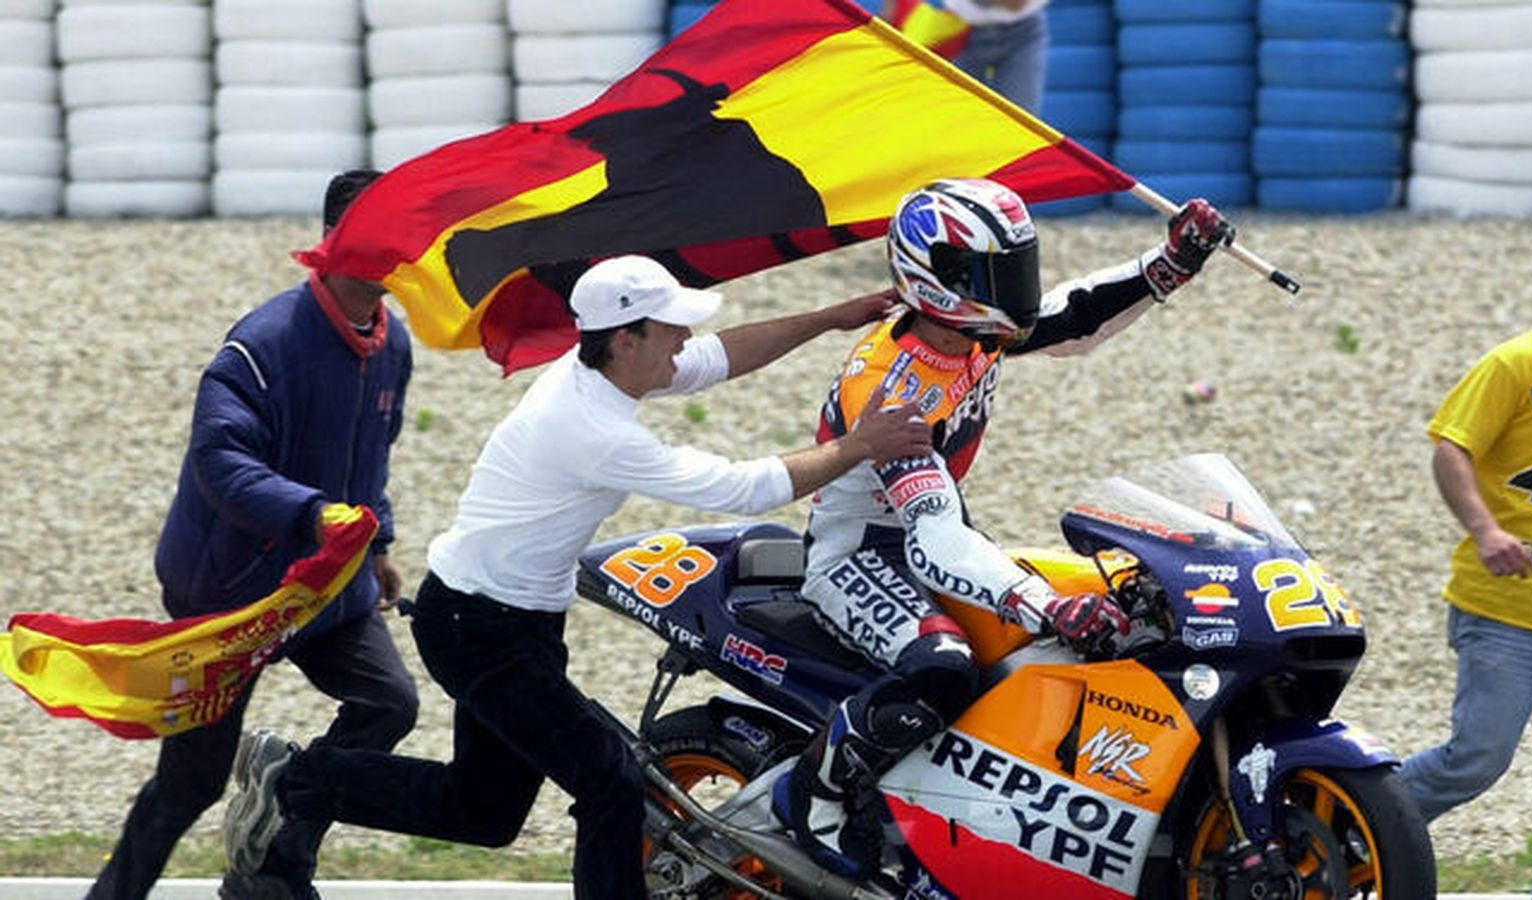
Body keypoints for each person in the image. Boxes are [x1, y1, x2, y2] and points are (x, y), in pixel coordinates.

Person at [220, 254, 933, 900]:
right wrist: (860, 445)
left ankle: (299, 779)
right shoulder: (593, 428)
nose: (684, 339)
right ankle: (299, 782)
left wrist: (833, 316)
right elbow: (745, 488)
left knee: (484, 813)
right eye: (671, 328)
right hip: (477, 628)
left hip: (506, 620)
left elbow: (717, 356)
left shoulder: (605, 366)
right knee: (610, 782)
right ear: (627, 338)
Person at [771, 177, 1235, 876]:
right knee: (944, 669)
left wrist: (1170, 264)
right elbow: (932, 535)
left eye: (1019, 265)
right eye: (1001, 271)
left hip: (940, 531)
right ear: (944, 279)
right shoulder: (891, 390)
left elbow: (1076, 319)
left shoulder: (973, 335)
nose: (1018, 287)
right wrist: (1047, 601)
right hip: (862, 554)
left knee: (1109, 615)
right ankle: (816, 797)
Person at [86, 170, 420, 900]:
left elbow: (375, 451)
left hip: (329, 585)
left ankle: (276, 843)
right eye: (392, 231)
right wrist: (310, 515)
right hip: (231, 597)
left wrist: (382, 542)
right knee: (191, 781)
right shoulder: (261, 345)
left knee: (389, 704)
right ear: (341, 242)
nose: (409, 248)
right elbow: (220, 461)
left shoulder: (392, 346)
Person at [1398, 214, 1532, 899]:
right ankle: (1343, 821)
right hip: (1508, 611)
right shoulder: (1520, 364)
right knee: (1474, 763)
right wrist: (1486, 531)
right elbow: (1451, 448)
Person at [949, 0, 1050, 115]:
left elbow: (1016, 5)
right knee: (957, 118)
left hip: (1024, 29)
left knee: (1020, 120)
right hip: (959, 28)